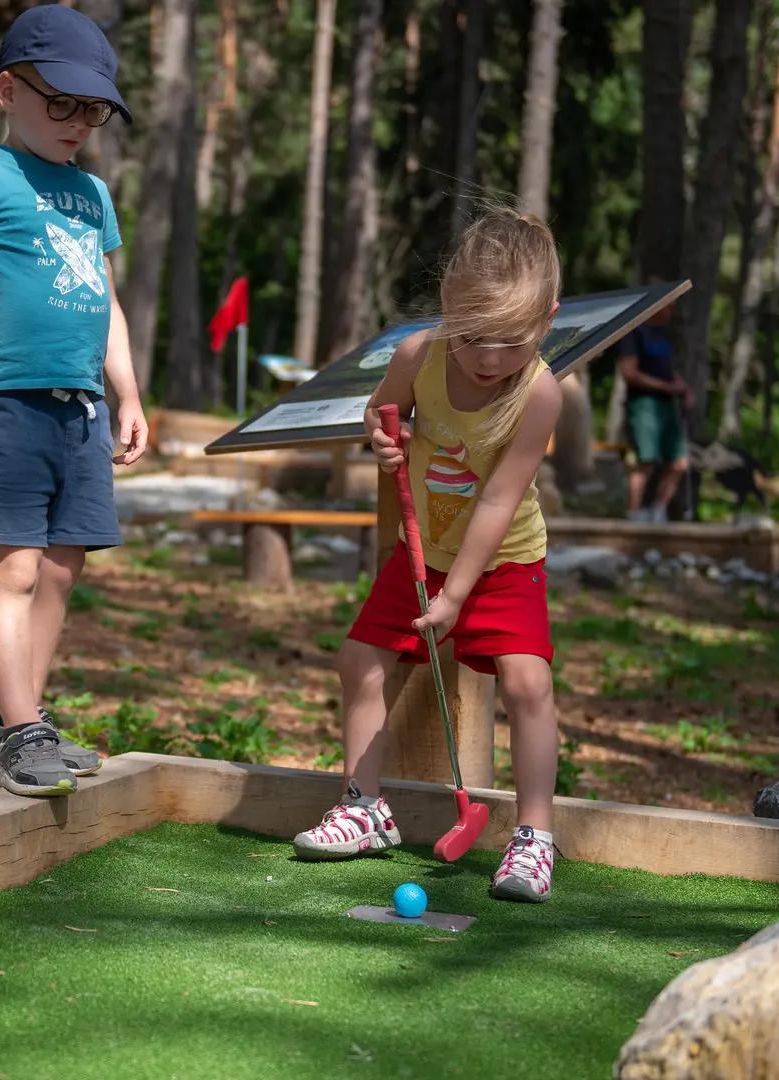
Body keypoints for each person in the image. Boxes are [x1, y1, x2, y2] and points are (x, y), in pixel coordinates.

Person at [291, 208, 566, 903]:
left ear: (549, 320)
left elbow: (501, 500)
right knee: (361, 660)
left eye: (512, 342)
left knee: (527, 684)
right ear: (448, 310)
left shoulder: (538, 394)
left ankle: (534, 836)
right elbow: (380, 413)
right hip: (425, 553)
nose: (489, 358)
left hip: (503, 561)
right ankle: (364, 805)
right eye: (473, 336)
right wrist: (382, 439)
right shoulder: (419, 357)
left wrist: (454, 596)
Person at [0, 4, 149, 798]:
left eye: (93, 109)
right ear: (7, 91)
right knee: (12, 568)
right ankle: (22, 731)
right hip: (11, 405)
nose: (79, 122)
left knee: (60, 570)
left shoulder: (92, 194)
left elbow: (106, 303)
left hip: (81, 412)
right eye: (62, 103)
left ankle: (20, 720)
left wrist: (129, 392)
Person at [618, 296, 691, 522]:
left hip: (668, 404)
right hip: (644, 403)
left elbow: (667, 371)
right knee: (645, 461)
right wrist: (666, 386)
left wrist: (684, 389)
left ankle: (658, 510)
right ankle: (634, 514)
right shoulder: (635, 332)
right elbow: (629, 373)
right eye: (668, 304)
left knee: (679, 464)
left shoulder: (664, 334)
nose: (672, 309)